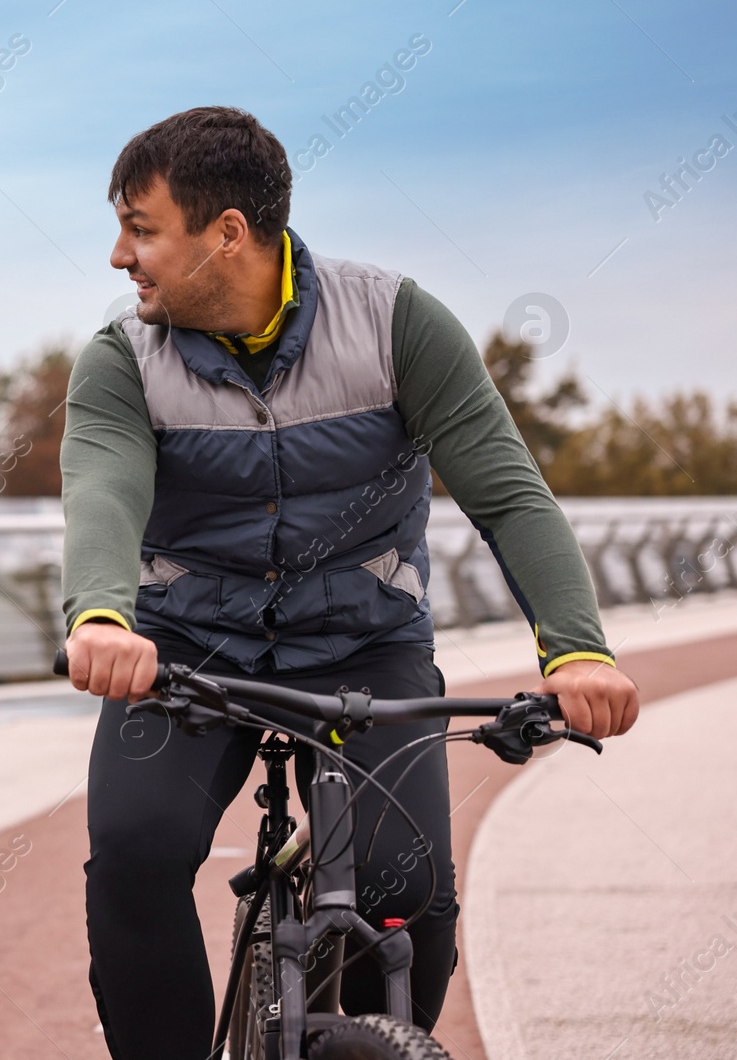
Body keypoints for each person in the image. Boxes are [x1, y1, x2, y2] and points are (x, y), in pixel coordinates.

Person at [59, 107, 640, 1057]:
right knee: (134, 858)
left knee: (407, 893)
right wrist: (101, 615)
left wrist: (576, 647)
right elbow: (104, 490)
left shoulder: (398, 322)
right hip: (187, 652)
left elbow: (508, 493)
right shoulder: (122, 360)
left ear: (228, 235)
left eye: (141, 227)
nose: (119, 255)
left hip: (366, 647)